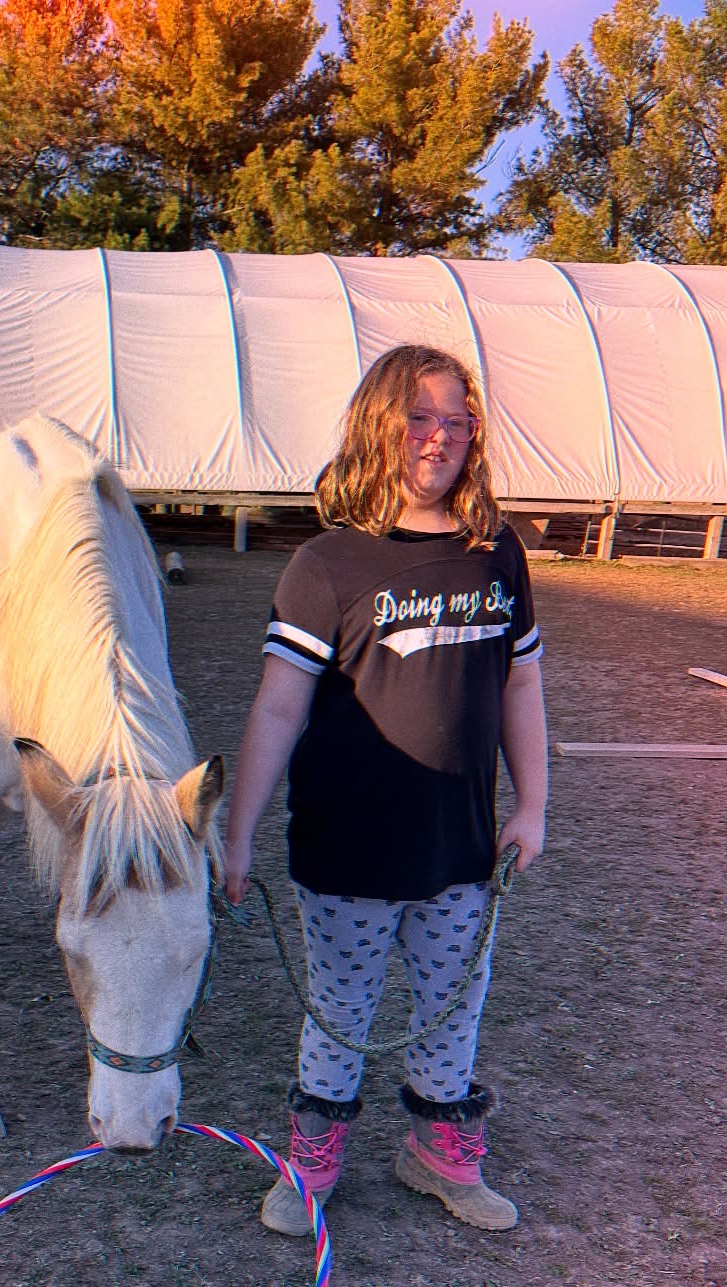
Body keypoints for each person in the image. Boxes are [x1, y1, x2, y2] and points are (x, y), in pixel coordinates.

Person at [222, 343, 548, 1235]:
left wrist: (532, 805)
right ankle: (313, 1161)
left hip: (459, 849)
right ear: (380, 426)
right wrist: (239, 833)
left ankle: (436, 1153)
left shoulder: (496, 554)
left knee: (454, 1005)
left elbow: (522, 684)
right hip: (347, 851)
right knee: (341, 1010)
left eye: (457, 419)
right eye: (419, 417)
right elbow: (280, 708)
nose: (439, 437)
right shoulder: (328, 566)